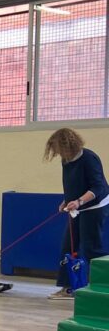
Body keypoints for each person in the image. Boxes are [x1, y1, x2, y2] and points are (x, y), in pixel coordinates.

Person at [44, 127, 109, 300]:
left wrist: (79, 201)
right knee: (68, 247)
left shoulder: (89, 158)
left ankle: (103, 286)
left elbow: (98, 186)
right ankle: (68, 288)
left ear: (68, 145)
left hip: (95, 207)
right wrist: (67, 200)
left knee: (91, 248)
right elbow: (71, 184)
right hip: (77, 208)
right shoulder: (66, 160)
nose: (57, 153)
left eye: (58, 149)